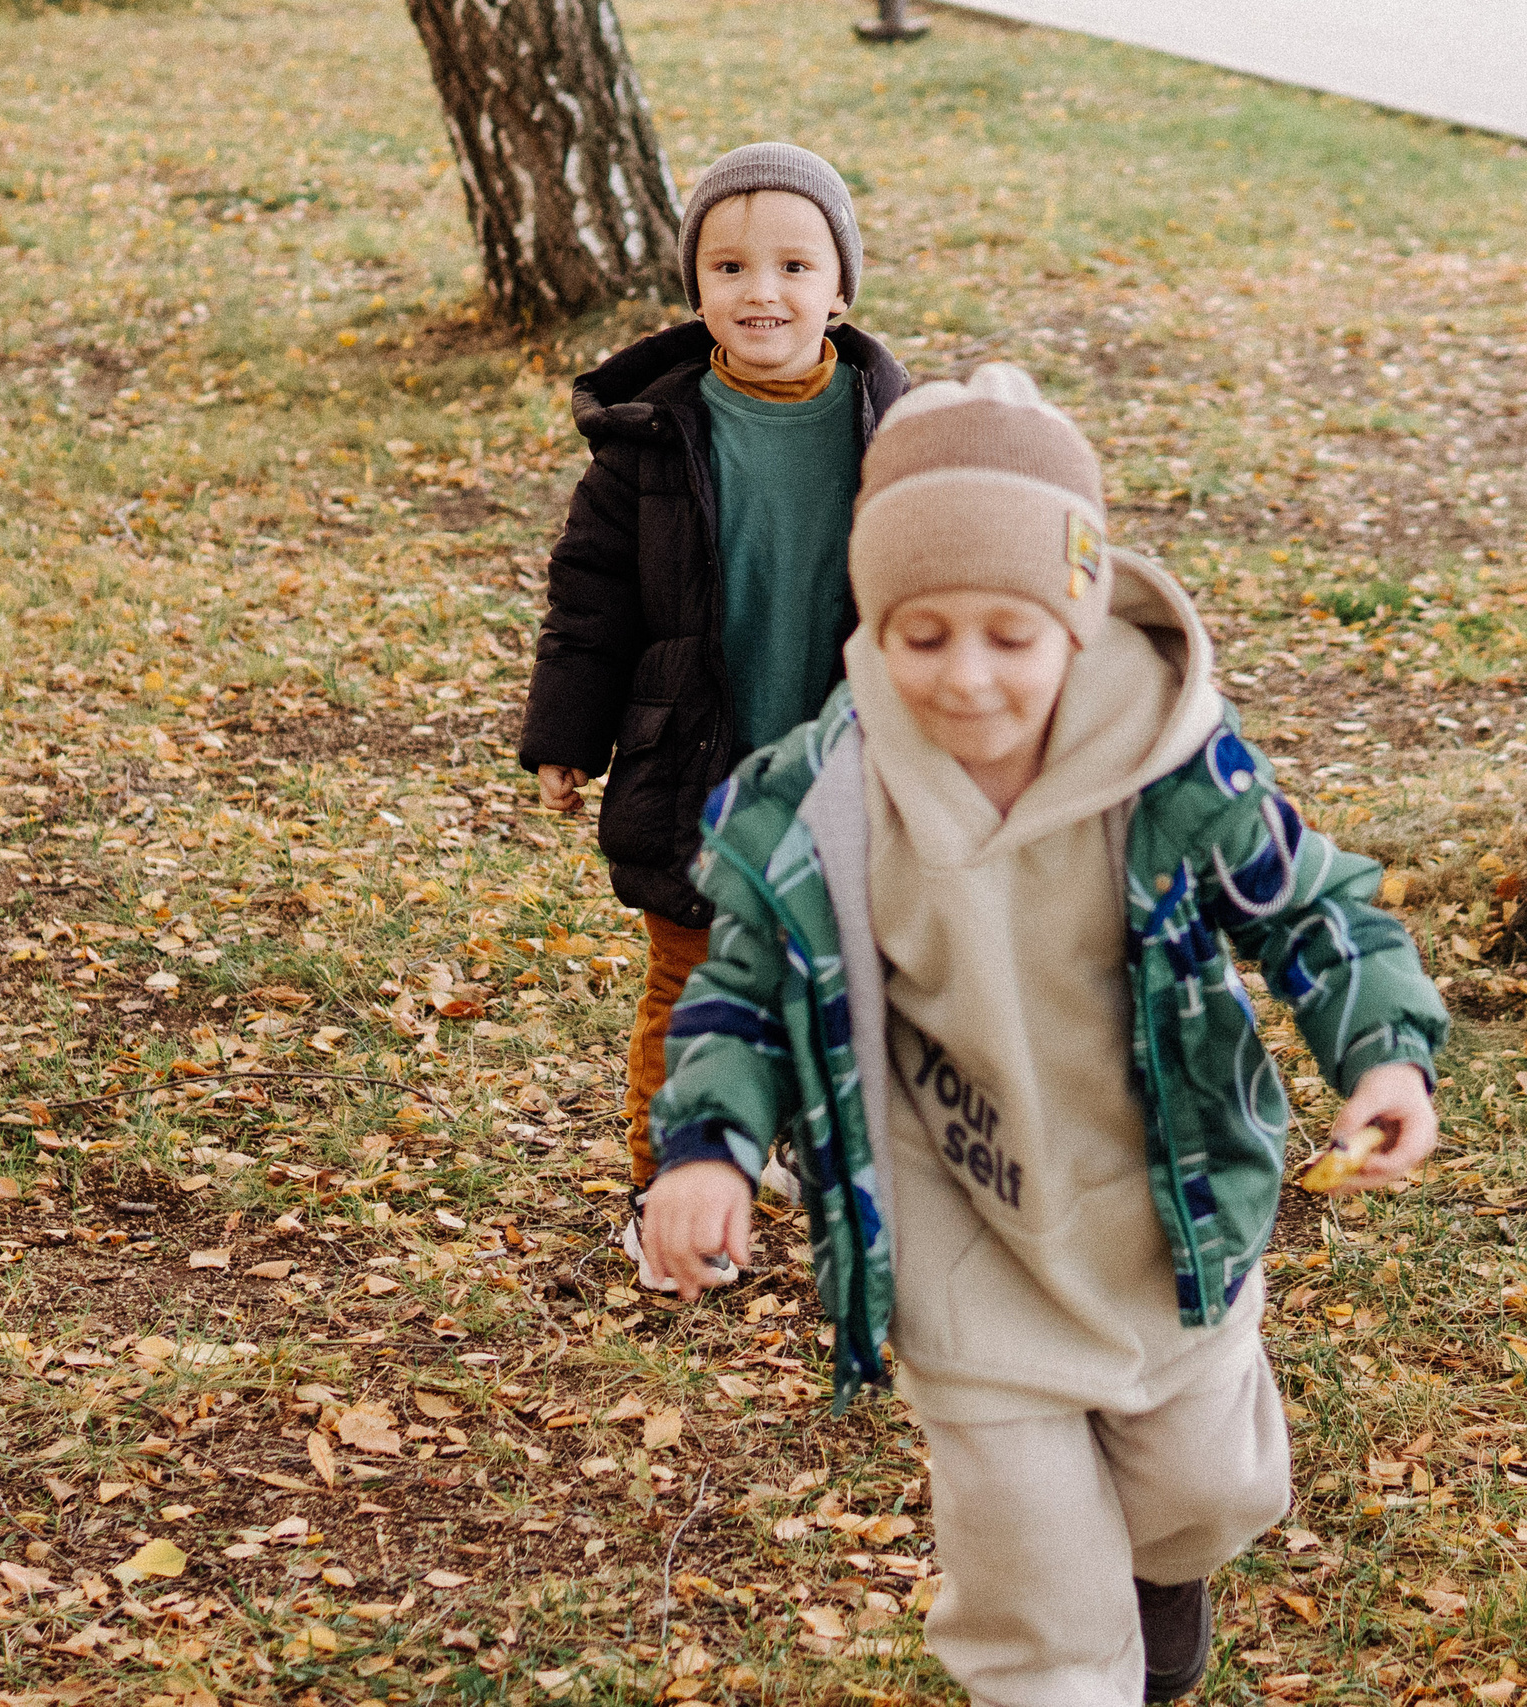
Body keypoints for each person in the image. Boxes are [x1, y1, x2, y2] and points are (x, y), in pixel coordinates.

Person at [639, 364, 1451, 1706]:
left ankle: (1159, 1566)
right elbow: (738, 992)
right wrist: (711, 1144)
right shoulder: (824, 801)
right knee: (1034, 1581)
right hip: (966, 1226)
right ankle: (1068, 1661)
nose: (965, 676)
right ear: (872, 622)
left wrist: (1383, 1053)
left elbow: (1314, 907)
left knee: (1208, 1487)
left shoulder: (1175, 763)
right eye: (921, 632)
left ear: (1077, 614)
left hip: (1161, 1212)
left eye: (1009, 634)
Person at [516, 142, 909, 1292]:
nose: (762, 291)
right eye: (729, 266)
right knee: (690, 989)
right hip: (697, 775)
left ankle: (782, 1135)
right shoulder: (650, 438)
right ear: (697, 289)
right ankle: (669, 1196)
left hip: (851, 776)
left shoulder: (902, 430)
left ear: (840, 286)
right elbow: (590, 602)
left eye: (794, 263)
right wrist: (562, 733)